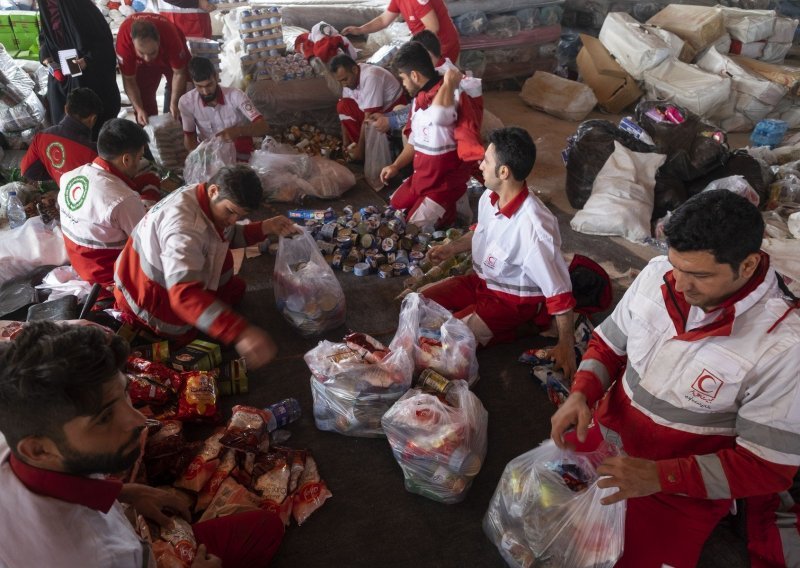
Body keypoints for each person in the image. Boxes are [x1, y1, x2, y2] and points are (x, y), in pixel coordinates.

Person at [550, 190, 800, 568]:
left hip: (679, 490)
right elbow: (608, 343)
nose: (681, 285)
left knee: (617, 559)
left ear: (747, 266)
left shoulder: (783, 346)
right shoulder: (657, 276)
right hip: (608, 437)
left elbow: (768, 467)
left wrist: (659, 476)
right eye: (676, 266)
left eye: (699, 275)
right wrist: (582, 392)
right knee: (545, 512)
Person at [0, 321, 284, 568]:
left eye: (124, 393)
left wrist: (127, 492)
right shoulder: (96, 557)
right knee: (264, 530)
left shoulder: (16, 442)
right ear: (37, 450)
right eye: (104, 418)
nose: (138, 420)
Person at [114, 165, 299, 370]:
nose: (232, 221)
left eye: (239, 215)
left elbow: (227, 235)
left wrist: (266, 227)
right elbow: (184, 296)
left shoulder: (202, 195)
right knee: (192, 342)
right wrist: (240, 332)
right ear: (213, 191)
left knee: (235, 289)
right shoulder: (184, 229)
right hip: (150, 298)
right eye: (230, 212)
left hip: (163, 280)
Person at [423, 127, 576, 373]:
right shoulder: (489, 197)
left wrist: (565, 345)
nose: (480, 165)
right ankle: (495, 329)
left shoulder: (534, 227)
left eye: (486, 160)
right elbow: (481, 231)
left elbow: (560, 292)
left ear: (504, 172)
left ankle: (521, 327)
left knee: (447, 343)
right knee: (419, 304)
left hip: (511, 302)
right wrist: (452, 248)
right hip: (480, 283)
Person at [380, 42, 474, 230]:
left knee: (413, 229)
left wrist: (448, 82)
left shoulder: (451, 93)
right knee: (393, 210)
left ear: (414, 75)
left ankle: (455, 209)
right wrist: (396, 166)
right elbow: (415, 141)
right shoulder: (419, 100)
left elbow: (440, 114)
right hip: (422, 178)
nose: (404, 85)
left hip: (443, 185)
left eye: (403, 79)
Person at [57, 118, 149, 290]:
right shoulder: (123, 199)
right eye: (140, 157)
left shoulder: (70, 176)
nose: (140, 163)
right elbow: (148, 246)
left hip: (80, 265)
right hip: (109, 280)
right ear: (126, 160)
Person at [37, 0, 121, 139]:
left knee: (90, 118)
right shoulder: (46, 8)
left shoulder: (81, 7)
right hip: (62, 73)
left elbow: (104, 43)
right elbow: (45, 38)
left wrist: (87, 60)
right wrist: (46, 57)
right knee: (61, 116)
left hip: (87, 74)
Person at [180, 57, 268, 162]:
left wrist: (238, 131)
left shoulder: (236, 95)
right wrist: (199, 158)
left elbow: (263, 126)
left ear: (216, 77)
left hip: (239, 153)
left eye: (209, 85)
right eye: (199, 86)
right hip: (210, 157)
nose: (205, 92)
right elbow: (189, 138)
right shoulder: (186, 102)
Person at [116, 13, 190, 126]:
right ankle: (148, 135)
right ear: (132, 42)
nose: (148, 58)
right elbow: (129, 79)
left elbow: (179, 73)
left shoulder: (170, 36)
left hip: (167, 54)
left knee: (180, 100)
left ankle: (174, 127)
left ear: (159, 40)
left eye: (152, 53)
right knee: (143, 99)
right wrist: (139, 108)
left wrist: (174, 102)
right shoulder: (124, 44)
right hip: (139, 64)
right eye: (141, 53)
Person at [329, 54, 405, 162]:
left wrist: (360, 151)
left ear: (355, 70)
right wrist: (345, 143)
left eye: (345, 79)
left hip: (392, 111)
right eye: (340, 81)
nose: (343, 84)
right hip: (372, 112)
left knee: (370, 120)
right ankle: (357, 147)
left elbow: (369, 117)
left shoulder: (371, 76)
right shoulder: (349, 82)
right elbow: (344, 117)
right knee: (343, 106)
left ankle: (366, 152)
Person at [21, 87, 102, 184]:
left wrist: (57, 175)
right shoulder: (94, 153)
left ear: (66, 109)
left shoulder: (41, 137)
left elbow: (27, 171)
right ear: (93, 119)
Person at [341, 0, 460, 64]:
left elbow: (433, 27)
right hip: (424, 44)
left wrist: (411, 47)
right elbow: (383, 20)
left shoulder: (418, 1)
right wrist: (360, 30)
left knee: (436, 84)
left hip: (441, 46)